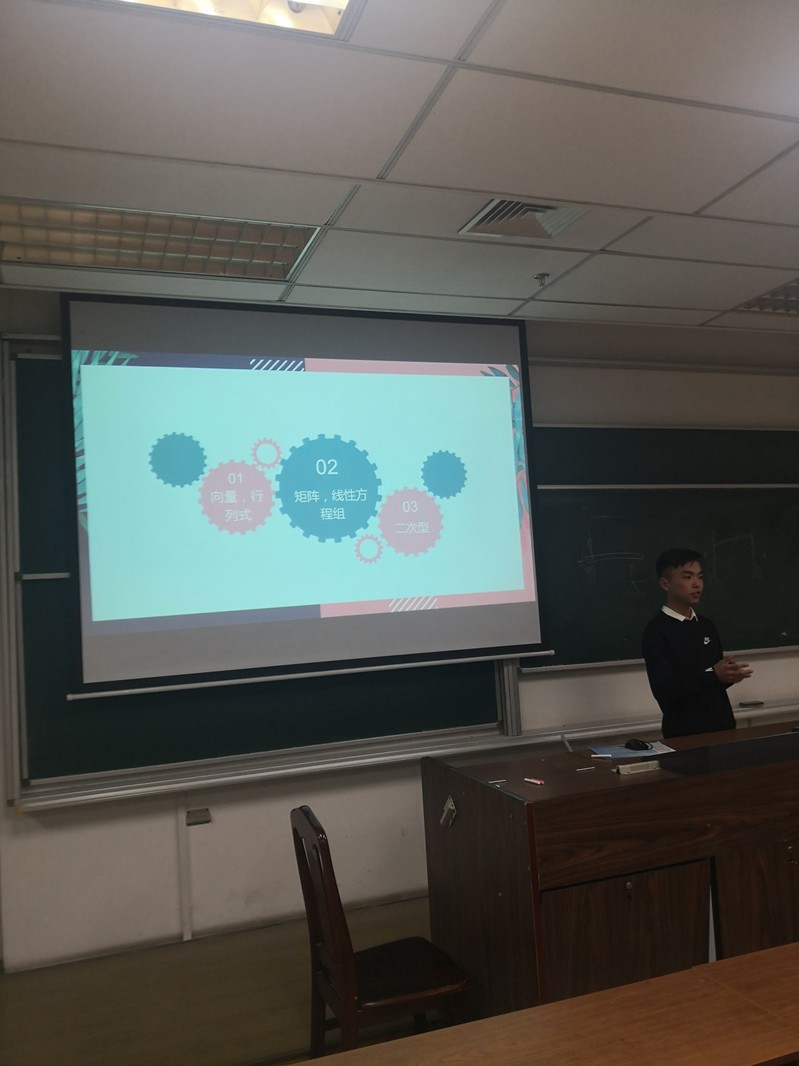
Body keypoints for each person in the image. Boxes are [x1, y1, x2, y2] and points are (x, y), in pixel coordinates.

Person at [641, 548, 752, 739]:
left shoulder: (706, 625)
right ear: (665, 584)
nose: (696, 584)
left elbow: (712, 681)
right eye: (687, 577)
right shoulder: (657, 631)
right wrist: (714, 675)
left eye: (700, 577)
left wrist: (729, 675)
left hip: (723, 726)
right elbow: (664, 691)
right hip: (686, 733)